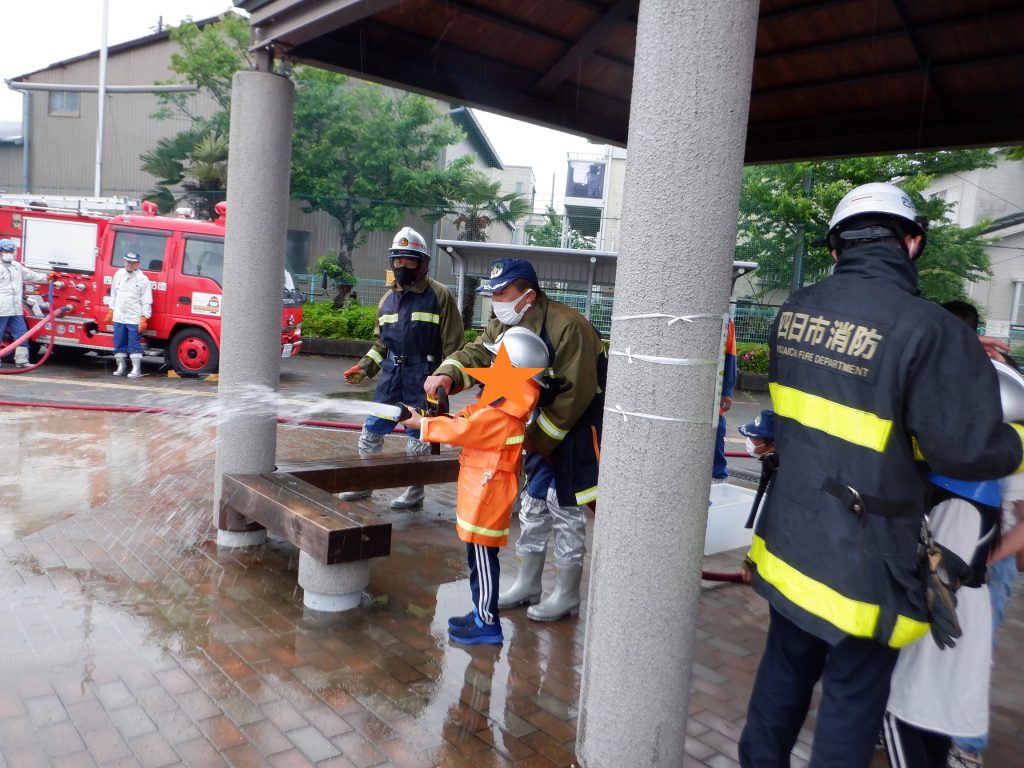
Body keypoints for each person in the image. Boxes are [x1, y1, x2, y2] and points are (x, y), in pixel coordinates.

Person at [738, 182, 1024, 768]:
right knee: (850, 705)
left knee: (781, 681)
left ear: (836, 248)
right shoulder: (931, 329)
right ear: (912, 242)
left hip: (790, 542)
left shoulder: (794, 311)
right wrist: (1016, 438)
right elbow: (964, 453)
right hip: (870, 563)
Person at [423, 257, 606, 622]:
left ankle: (567, 593)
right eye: (492, 294)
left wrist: (533, 440)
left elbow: (575, 396)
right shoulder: (506, 321)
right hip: (539, 425)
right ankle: (528, 583)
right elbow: (479, 352)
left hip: (574, 428)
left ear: (528, 295)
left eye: (502, 293)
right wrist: (448, 374)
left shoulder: (569, 327)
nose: (495, 301)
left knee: (563, 507)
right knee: (533, 504)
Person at [399, 326, 550, 645]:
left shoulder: (505, 414)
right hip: (483, 489)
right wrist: (432, 417)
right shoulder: (501, 405)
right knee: (477, 558)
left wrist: (424, 424)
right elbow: (470, 417)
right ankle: (480, 612)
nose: (493, 367)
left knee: (482, 560)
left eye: (499, 362)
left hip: (488, 493)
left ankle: (487, 623)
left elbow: (465, 431)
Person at [883, 473, 1003, 768]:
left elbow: (939, 575)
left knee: (898, 716)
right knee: (933, 724)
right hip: (961, 619)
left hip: (939, 627)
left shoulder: (960, 500)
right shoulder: (980, 490)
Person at [341, 227, 463, 509]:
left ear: (423, 263)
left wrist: (447, 379)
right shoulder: (387, 300)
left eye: (410, 260)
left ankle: (414, 493)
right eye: (398, 260)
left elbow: (455, 347)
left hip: (424, 378)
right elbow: (382, 344)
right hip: (391, 378)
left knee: (418, 437)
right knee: (371, 430)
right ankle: (364, 483)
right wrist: (364, 367)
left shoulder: (440, 295)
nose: (403, 265)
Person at [0, 238, 55, 369]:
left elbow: (31, 275)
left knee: (22, 333)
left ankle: (22, 360)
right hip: (1, 308)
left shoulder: (17, 266)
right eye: (6, 251)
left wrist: (47, 278)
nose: (9, 254)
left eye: (11, 251)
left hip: (16, 308)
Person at [737, 409, 777, 584]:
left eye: (754, 439)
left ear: (772, 445)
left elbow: (769, 522)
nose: (750, 442)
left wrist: (752, 558)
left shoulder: (784, 476)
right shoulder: (774, 463)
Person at [104, 251, 152, 378]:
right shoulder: (118, 274)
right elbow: (113, 295)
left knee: (134, 343)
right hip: (119, 316)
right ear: (124, 262)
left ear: (138, 263)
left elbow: (146, 300)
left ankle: (136, 369)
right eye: (128, 262)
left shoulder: (143, 279)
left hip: (134, 317)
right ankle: (121, 366)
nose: (130, 264)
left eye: (133, 262)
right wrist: (111, 310)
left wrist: (144, 318)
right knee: (119, 342)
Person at [712, 318, 737, 483]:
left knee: (717, 428)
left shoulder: (727, 322)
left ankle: (718, 473)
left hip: (715, 388)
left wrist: (727, 391)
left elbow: (730, 354)